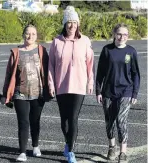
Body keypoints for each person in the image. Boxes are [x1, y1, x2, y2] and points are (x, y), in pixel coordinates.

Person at [48, 6, 94, 163]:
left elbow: (90, 64)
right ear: (64, 24)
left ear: (78, 24)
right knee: (64, 120)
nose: (72, 25)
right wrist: (51, 85)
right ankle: (68, 143)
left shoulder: (85, 41)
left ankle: (71, 150)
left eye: (75, 22)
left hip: (79, 85)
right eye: (69, 22)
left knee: (73, 118)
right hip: (61, 85)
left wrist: (90, 82)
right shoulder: (56, 42)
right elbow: (51, 66)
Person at [3, 24, 51, 162]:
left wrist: (51, 87)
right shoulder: (16, 52)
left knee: (35, 121)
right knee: (23, 122)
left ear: (37, 36)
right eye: (28, 33)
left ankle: (35, 146)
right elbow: (8, 74)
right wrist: (7, 93)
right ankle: (22, 152)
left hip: (39, 93)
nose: (30, 36)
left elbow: (48, 71)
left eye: (33, 34)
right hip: (20, 94)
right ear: (23, 35)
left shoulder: (42, 51)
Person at [96, 23, 140, 163]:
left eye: (125, 34)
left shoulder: (131, 51)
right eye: (119, 34)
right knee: (110, 122)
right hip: (108, 91)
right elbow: (100, 73)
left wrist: (134, 93)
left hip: (125, 91)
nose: (122, 37)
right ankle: (112, 147)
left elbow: (136, 74)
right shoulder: (107, 50)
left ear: (128, 36)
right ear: (114, 34)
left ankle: (123, 152)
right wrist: (98, 91)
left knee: (121, 121)